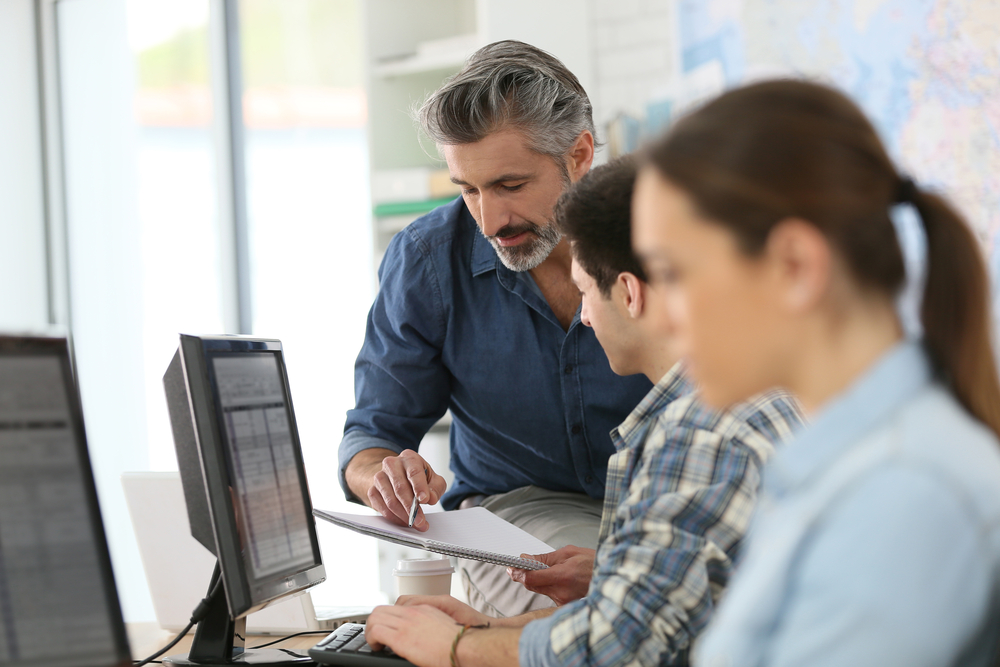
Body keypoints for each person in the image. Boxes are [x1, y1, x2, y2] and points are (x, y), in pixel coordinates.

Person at [360, 157, 802, 667]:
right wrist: (490, 626)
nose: (584, 318)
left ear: (631, 293)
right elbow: (668, 609)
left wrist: (455, 648)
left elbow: (614, 649)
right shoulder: (765, 398)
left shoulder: (695, 435)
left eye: (587, 292)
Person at [630, 79, 1000, 666]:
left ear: (795, 266)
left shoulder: (903, 493)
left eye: (672, 273)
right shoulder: (845, 463)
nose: (659, 317)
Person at [338, 41, 651, 617]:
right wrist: (381, 476)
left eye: (510, 185)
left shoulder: (658, 239)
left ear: (578, 154)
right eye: (467, 189)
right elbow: (372, 430)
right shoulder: (429, 259)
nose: (489, 220)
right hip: (519, 510)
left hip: (662, 504)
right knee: (592, 609)